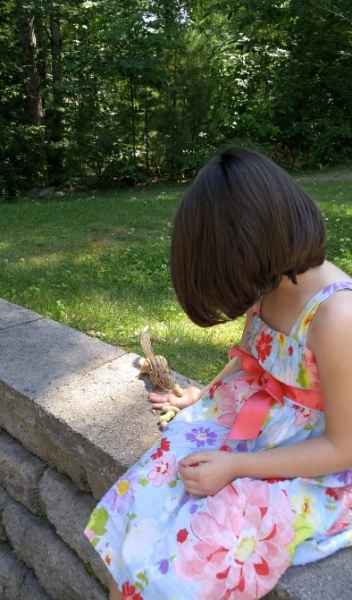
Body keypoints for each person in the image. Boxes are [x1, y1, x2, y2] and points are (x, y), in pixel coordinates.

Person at [84, 148, 352, 600]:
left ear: (256, 249)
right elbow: (253, 357)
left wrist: (237, 466)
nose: (245, 305)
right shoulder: (269, 280)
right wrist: (204, 395)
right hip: (262, 429)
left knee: (188, 566)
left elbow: (343, 447)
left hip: (316, 465)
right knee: (142, 499)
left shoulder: (336, 318)